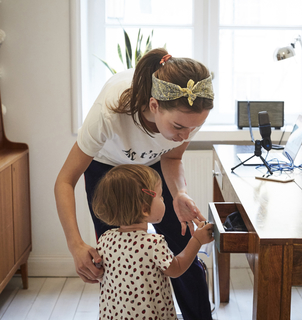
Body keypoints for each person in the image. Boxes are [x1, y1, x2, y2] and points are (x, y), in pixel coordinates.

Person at [54, 48, 214, 319]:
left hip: (154, 167)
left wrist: (179, 193)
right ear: (154, 106)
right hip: (106, 170)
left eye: (193, 128)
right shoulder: (107, 114)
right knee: (114, 263)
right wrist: (75, 245)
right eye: (178, 128)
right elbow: (64, 181)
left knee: (183, 246)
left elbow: (173, 158)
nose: (186, 135)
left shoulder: (187, 114)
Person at [93, 164, 214, 320]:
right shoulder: (152, 243)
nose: (164, 200)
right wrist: (197, 239)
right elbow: (176, 269)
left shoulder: (105, 239)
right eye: (161, 196)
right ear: (145, 209)